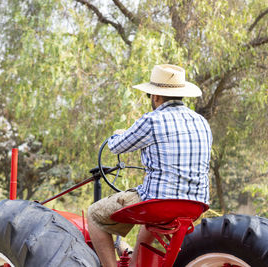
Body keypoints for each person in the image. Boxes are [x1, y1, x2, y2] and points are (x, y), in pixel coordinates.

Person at [87, 64, 213, 267]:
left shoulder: (153, 120)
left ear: (155, 97)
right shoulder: (201, 121)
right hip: (195, 204)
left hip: (159, 201)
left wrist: (119, 133)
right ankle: (137, 262)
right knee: (150, 221)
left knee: (94, 215)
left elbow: (116, 147)